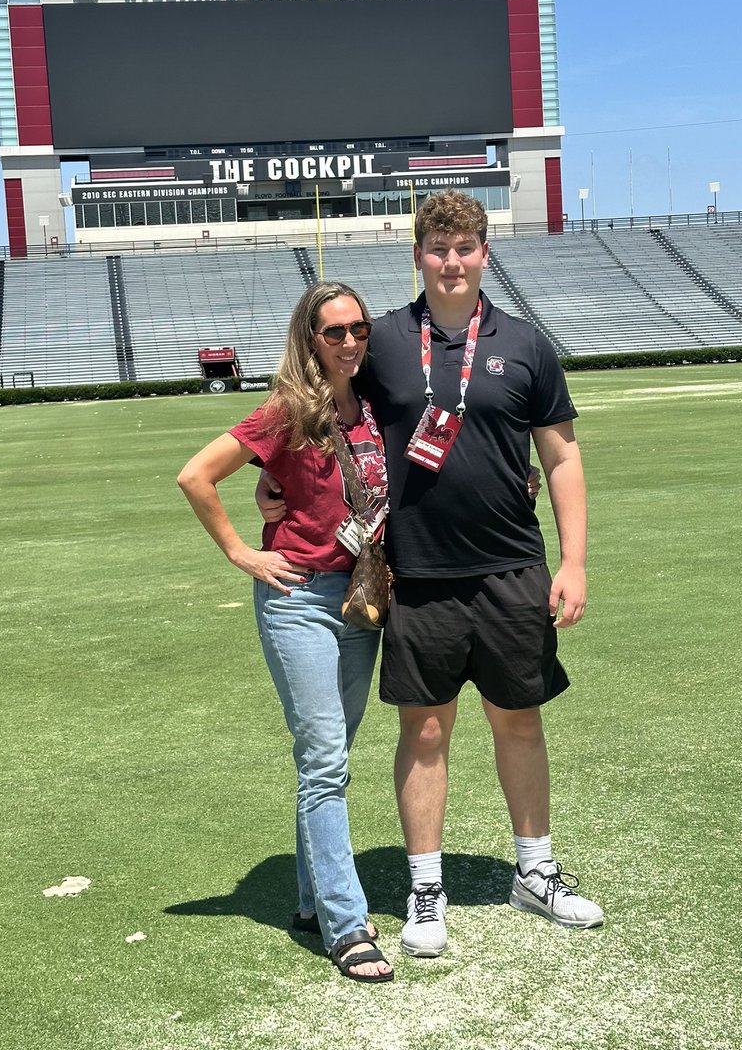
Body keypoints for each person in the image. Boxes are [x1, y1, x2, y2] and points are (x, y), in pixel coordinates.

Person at [259, 190, 603, 957]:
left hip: (512, 566)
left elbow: (562, 456)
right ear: (417, 255)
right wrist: (269, 477)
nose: (452, 261)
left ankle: (535, 871)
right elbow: (313, 405)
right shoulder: (380, 339)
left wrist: (574, 562)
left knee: (519, 719)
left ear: (486, 252)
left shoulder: (526, 342)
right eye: (438, 248)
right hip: (415, 573)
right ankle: (425, 888)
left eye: (466, 247)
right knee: (425, 729)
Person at [177, 281, 394, 983]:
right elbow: (195, 476)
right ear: (310, 339)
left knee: (330, 756)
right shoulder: (287, 410)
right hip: (299, 596)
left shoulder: (378, 405)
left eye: (359, 328)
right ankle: (344, 922)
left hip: (362, 600)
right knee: (326, 757)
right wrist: (243, 550)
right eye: (335, 332)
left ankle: (308, 898)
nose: (351, 341)